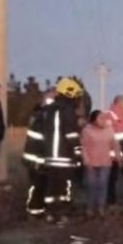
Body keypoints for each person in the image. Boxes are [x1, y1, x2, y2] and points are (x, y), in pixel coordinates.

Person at [23, 79, 83, 222]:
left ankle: (49, 213)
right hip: (63, 157)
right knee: (60, 187)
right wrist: (78, 153)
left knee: (50, 186)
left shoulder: (46, 111)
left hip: (47, 157)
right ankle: (59, 213)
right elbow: (71, 134)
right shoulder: (67, 110)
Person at [80, 110, 122, 216]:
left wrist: (118, 157)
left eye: (104, 118)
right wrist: (86, 160)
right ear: (94, 120)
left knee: (103, 185)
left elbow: (115, 144)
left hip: (105, 162)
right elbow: (83, 147)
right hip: (91, 162)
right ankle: (90, 207)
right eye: (100, 118)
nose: (103, 120)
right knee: (91, 185)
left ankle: (100, 207)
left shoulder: (109, 129)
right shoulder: (87, 130)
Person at [101, 95, 123, 205]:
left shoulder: (120, 118)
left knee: (112, 180)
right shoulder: (110, 117)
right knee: (109, 181)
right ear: (119, 103)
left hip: (115, 156)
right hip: (109, 156)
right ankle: (108, 202)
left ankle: (111, 202)